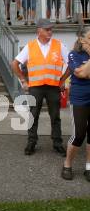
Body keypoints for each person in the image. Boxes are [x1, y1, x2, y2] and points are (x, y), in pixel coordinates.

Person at [11, 18, 69, 156]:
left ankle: (57, 143)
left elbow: (71, 65)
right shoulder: (30, 47)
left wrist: (61, 81)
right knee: (33, 115)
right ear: (39, 31)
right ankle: (31, 142)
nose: (50, 32)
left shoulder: (59, 46)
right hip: (35, 88)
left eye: (51, 29)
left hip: (53, 87)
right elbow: (14, 64)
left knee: (55, 116)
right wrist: (23, 81)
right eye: (47, 29)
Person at [61, 27, 90, 181]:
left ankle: (88, 167)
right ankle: (67, 164)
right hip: (80, 99)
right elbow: (82, 73)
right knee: (79, 134)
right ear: (82, 40)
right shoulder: (73, 54)